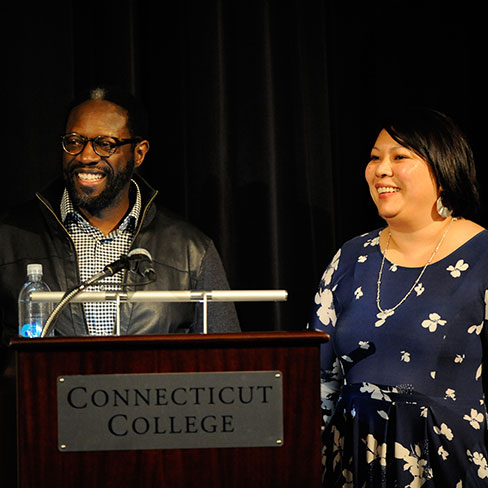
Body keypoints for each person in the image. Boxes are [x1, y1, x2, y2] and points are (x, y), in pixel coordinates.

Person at [310, 108, 488, 486]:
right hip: (353, 465)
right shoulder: (351, 256)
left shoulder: (482, 255)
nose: (381, 170)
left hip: (447, 468)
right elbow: (318, 382)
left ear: (442, 167)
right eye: (375, 157)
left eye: (399, 157)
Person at [0, 86, 240, 354]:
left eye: (105, 145)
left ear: (139, 153)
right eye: (74, 141)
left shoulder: (191, 251)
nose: (86, 156)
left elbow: (227, 363)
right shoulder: (9, 238)